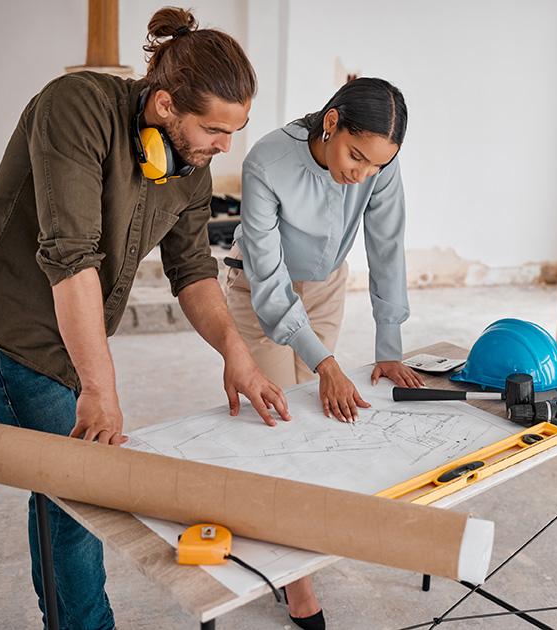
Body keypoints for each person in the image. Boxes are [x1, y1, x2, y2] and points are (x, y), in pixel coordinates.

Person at [0, 8, 288, 629]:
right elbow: (71, 257)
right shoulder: (75, 106)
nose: (224, 147)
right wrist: (101, 390)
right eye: (216, 130)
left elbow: (191, 272)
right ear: (164, 104)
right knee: (81, 492)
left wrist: (236, 355)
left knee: (66, 485)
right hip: (12, 330)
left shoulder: (190, 162)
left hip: (78, 336)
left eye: (234, 132)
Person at [224, 77, 425, 627]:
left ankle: (295, 545)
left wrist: (389, 344)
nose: (361, 173)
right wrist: (328, 365)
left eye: (375, 166)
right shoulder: (267, 160)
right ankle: (297, 586)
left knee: (313, 421)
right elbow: (269, 288)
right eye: (355, 156)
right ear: (330, 122)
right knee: (274, 428)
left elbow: (387, 246)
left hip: (326, 287)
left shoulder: (378, 165)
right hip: (257, 291)